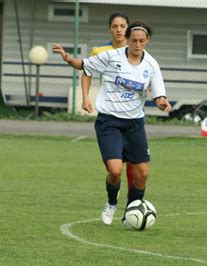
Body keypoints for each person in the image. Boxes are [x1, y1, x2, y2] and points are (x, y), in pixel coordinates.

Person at [52, 21, 171, 225]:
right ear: (127, 39)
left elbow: (159, 94)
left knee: (142, 173)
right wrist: (68, 58)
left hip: (134, 123)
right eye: (133, 40)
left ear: (147, 41)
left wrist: (162, 102)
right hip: (109, 121)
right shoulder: (111, 57)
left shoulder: (151, 65)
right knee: (115, 170)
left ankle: (131, 214)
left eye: (142, 41)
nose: (137, 45)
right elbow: (84, 65)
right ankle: (111, 202)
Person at [80, 12, 136, 204]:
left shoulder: (136, 50)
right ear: (109, 29)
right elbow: (87, 72)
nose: (119, 30)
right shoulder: (100, 52)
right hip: (110, 113)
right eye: (115, 26)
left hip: (132, 114)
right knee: (114, 166)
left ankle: (132, 202)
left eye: (123, 26)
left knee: (134, 163)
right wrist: (86, 97)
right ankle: (114, 189)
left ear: (128, 28)